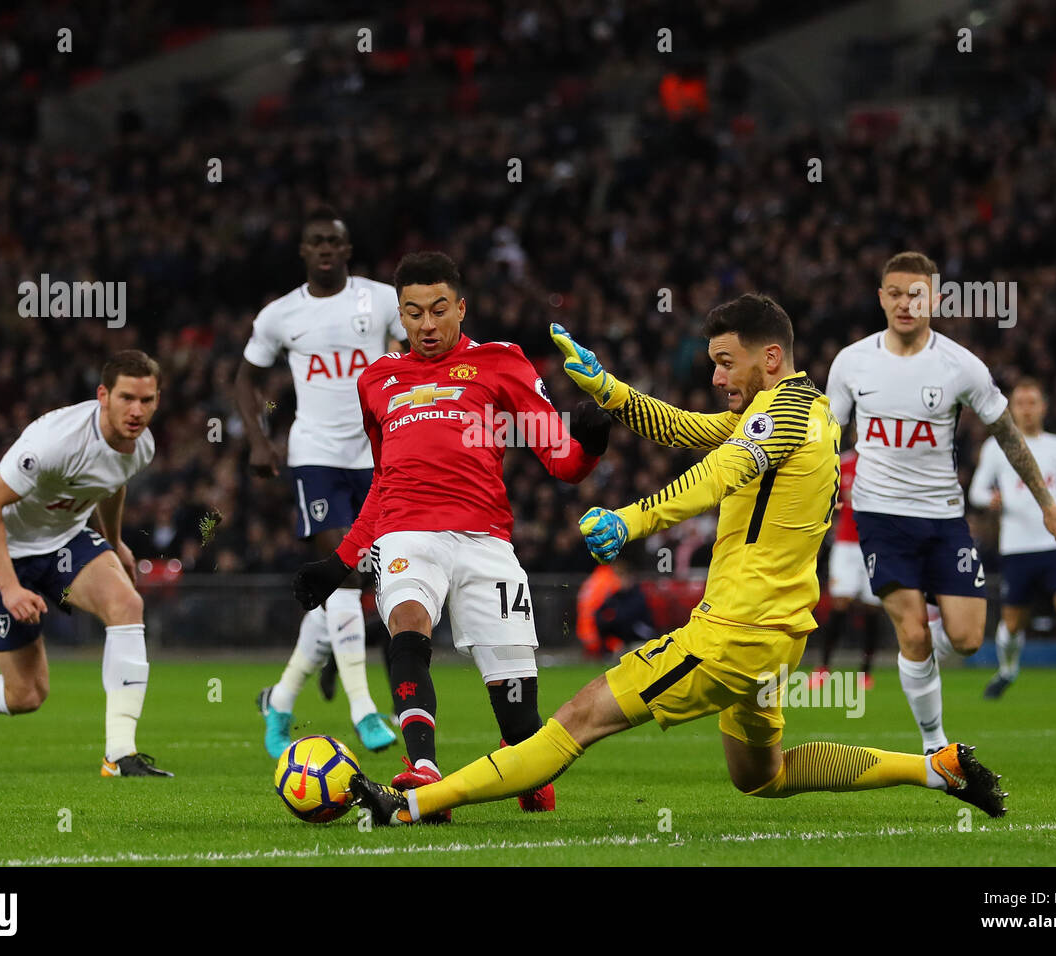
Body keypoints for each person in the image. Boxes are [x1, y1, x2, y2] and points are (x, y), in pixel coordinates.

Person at [349, 296, 1007, 826]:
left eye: (726, 362)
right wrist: (608, 389)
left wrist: (631, 518)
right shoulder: (802, 410)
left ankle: (411, 804)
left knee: (577, 719)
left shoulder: (782, 419)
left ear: (770, 358)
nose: (715, 376)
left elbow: (718, 471)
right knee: (764, 776)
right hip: (777, 641)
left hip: (732, 636)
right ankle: (936, 767)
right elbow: (687, 428)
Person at [292, 251, 611, 819]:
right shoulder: (378, 381)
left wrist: (589, 446)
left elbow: (561, 461)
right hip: (407, 534)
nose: (427, 325)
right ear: (400, 316)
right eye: (413, 313)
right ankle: (423, 769)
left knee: (520, 721)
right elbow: (384, 483)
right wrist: (340, 562)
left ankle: (524, 765)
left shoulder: (500, 364)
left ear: (462, 308)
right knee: (407, 622)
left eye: (439, 310)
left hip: (486, 541)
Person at [826, 251, 1056, 754]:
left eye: (916, 294)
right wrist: (821, 496)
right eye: (894, 293)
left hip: (943, 520)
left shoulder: (962, 367)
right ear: (881, 298)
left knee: (966, 639)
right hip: (879, 515)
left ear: (933, 299)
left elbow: (1006, 434)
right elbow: (826, 439)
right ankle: (936, 748)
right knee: (911, 634)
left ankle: (922, 648)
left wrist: (1047, 501)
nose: (905, 303)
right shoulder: (851, 362)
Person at [0, 350, 171, 778]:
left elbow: (112, 484)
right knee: (25, 694)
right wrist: (9, 587)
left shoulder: (142, 447)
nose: (137, 411)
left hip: (64, 538)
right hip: (1, 544)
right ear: (103, 395)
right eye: (126, 398)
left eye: (147, 400)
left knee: (127, 605)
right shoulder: (55, 443)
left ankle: (120, 754)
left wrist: (115, 542)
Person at [237, 205, 402, 758]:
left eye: (334, 240)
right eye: (316, 241)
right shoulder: (281, 315)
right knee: (346, 577)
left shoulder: (380, 300)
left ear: (347, 249)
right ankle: (363, 709)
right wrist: (259, 438)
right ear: (303, 250)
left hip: (377, 455)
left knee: (349, 590)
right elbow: (247, 376)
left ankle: (280, 701)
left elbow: (414, 353)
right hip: (316, 454)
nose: (326, 248)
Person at [967, 378, 1056, 701]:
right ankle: (1008, 670)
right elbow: (975, 490)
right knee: (1013, 624)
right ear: (1011, 408)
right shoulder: (995, 447)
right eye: (1020, 403)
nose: (1027, 409)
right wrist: (988, 499)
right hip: (1016, 547)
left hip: (1055, 543)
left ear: (1044, 407)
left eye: (1033, 402)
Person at [812, 446, 883, 690]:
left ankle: (865, 672)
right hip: (846, 545)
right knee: (839, 603)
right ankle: (823, 668)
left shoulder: (886, 464)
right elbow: (827, 495)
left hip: (876, 545)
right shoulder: (843, 463)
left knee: (872, 608)